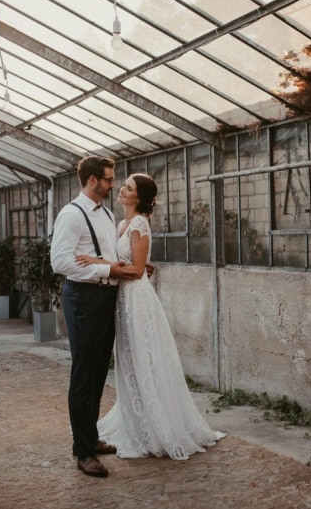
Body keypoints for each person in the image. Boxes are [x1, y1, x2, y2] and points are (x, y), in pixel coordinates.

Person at [76, 173, 225, 460]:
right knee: (131, 361)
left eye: (129, 188)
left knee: (146, 360)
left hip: (138, 301)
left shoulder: (140, 223)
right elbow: (132, 261)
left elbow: (136, 270)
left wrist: (98, 262)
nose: (122, 189)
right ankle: (139, 422)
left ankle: (157, 427)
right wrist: (122, 265)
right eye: (124, 185)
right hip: (123, 300)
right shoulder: (121, 224)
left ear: (139, 198)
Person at [50, 155, 121, 478]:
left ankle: (90, 439)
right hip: (84, 299)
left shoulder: (106, 212)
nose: (112, 184)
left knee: (96, 374)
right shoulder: (71, 214)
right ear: (92, 180)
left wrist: (129, 266)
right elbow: (61, 262)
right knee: (83, 374)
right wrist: (106, 269)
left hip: (106, 297)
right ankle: (83, 452)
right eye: (108, 179)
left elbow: (108, 255)